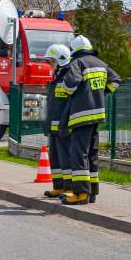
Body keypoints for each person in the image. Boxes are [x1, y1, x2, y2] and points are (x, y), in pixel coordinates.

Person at [59, 35, 121, 204]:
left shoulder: (77, 63)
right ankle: (92, 192)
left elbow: (70, 86)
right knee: (92, 154)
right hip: (97, 115)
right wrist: (101, 94)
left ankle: (80, 194)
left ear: (74, 50)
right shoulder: (101, 63)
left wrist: (67, 88)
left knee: (79, 154)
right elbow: (116, 81)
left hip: (81, 116)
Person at [43, 44, 73, 198]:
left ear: (60, 60)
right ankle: (58, 186)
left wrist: (64, 123)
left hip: (63, 126)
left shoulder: (68, 76)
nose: (51, 65)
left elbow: (68, 104)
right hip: (54, 126)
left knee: (65, 157)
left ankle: (68, 187)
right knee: (54, 157)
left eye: (52, 62)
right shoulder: (58, 76)